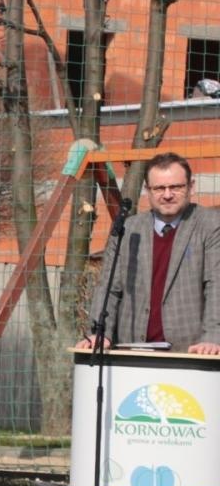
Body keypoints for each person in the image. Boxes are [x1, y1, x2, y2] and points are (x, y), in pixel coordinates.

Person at [78, 151, 220, 355]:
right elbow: (109, 287)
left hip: (191, 353)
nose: (168, 194)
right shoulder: (128, 229)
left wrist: (213, 338)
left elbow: (216, 284)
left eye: (176, 187)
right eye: (159, 188)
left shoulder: (211, 225)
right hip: (133, 350)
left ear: (191, 187)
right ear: (148, 190)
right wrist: (101, 333)